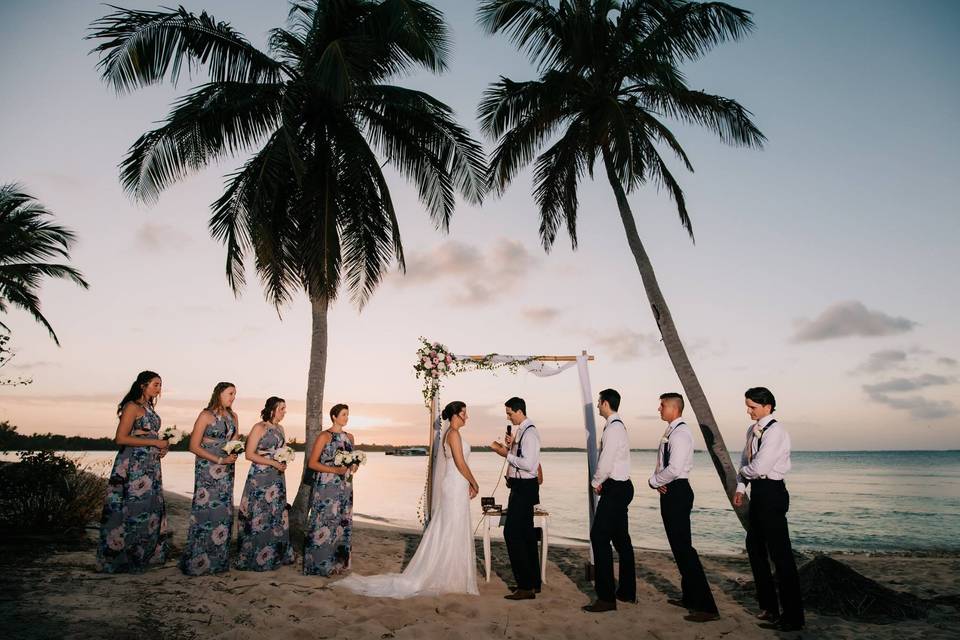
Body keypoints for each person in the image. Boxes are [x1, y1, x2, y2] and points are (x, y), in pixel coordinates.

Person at [336, 400, 479, 597]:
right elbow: (460, 462)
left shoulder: (454, 433)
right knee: (451, 528)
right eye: (465, 413)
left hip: (456, 484)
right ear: (456, 415)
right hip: (455, 484)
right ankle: (446, 576)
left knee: (453, 528)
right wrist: (474, 482)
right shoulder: (453, 434)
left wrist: (468, 483)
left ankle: (454, 575)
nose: (467, 416)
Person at [734, 387, 805, 631]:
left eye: (752, 406)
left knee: (781, 556)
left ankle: (793, 617)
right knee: (754, 548)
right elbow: (746, 461)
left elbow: (759, 466)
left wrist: (744, 473)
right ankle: (769, 607)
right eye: (747, 405)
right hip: (758, 492)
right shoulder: (752, 430)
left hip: (773, 493)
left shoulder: (776, 431)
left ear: (767, 406)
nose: (748, 410)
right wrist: (741, 488)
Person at [648, 392, 719, 622]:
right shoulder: (671, 431)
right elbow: (663, 464)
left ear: (674, 408)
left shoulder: (680, 433)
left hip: (678, 491)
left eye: (662, 405)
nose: (659, 409)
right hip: (671, 490)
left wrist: (654, 481)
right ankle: (689, 597)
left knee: (684, 549)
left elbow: (675, 468)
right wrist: (660, 480)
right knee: (679, 548)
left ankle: (707, 607)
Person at [96, 370, 170, 573]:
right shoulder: (132, 407)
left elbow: (150, 437)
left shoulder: (149, 409)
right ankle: (126, 558)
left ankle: (143, 555)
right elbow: (120, 438)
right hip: (133, 465)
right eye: (156, 384)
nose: (159, 388)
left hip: (150, 465)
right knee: (133, 508)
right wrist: (153, 442)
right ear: (142, 385)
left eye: (160, 385)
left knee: (149, 507)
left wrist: (162, 447)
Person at [583, 388, 636, 613]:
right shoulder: (617, 426)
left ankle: (606, 598)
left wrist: (596, 482)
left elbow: (606, 460)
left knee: (599, 536)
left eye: (598, 402)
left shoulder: (613, 428)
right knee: (621, 539)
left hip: (615, 488)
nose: (597, 406)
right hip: (621, 487)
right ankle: (626, 591)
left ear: (605, 403)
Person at [180, 382, 240, 575]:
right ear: (219, 394)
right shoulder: (205, 415)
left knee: (223, 511)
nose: (233, 397)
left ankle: (218, 561)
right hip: (208, 468)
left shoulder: (233, 416)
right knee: (205, 510)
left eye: (235, 394)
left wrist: (234, 452)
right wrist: (219, 459)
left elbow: (234, 442)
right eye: (230, 393)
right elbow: (193, 446)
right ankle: (197, 561)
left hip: (227, 469)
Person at [235, 396, 295, 571]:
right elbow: (249, 454)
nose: (284, 412)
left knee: (275, 513)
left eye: (285, 408)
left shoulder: (281, 429)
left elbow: (280, 451)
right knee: (260, 513)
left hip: (277, 477)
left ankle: (274, 553)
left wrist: (283, 461)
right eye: (282, 408)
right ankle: (256, 554)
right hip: (260, 476)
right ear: (272, 409)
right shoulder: (259, 427)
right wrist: (273, 462)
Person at [492, 396, 542, 600]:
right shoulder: (523, 432)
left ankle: (525, 585)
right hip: (520, 487)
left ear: (519, 411)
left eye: (509, 413)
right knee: (528, 536)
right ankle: (532, 583)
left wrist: (506, 454)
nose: (508, 417)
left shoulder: (530, 433)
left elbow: (530, 465)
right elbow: (522, 457)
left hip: (524, 488)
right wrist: (512, 446)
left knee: (512, 534)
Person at [303, 403, 357, 576]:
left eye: (347, 414)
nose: (346, 417)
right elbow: (312, 463)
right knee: (325, 520)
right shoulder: (324, 436)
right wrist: (334, 470)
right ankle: (320, 563)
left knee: (342, 521)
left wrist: (354, 466)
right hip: (327, 484)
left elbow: (352, 461)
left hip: (345, 485)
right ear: (334, 416)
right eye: (343, 414)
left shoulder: (350, 437)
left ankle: (339, 563)